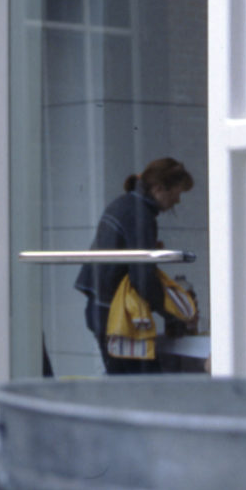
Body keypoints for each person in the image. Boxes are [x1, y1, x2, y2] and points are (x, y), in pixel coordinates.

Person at [74, 158, 198, 374]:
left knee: (125, 382)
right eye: (176, 193)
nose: (177, 201)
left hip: (102, 309)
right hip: (115, 316)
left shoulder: (125, 205)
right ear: (159, 188)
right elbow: (143, 276)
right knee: (141, 386)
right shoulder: (139, 215)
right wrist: (173, 315)